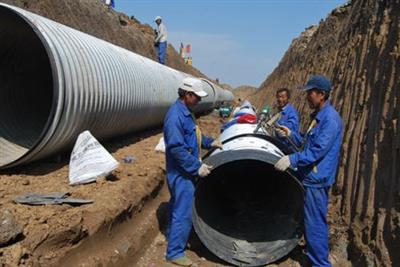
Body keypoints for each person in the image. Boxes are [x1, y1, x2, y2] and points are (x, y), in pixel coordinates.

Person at [274, 75, 343, 267]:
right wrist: (291, 135)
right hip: (309, 176)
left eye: (310, 93)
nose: (307, 97)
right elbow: (307, 142)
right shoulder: (318, 118)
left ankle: (320, 263)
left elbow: (317, 150)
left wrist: (292, 159)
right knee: (309, 219)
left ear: (321, 95)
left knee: (315, 223)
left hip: (316, 178)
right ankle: (312, 251)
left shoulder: (330, 120)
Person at [163, 77, 223, 266]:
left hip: (184, 170)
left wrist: (209, 142)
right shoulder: (175, 116)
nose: (199, 100)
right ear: (187, 95)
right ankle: (175, 252)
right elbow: (176, 148)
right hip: (181, 172)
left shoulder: (186, 112)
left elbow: (193, 135)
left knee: (177, 206)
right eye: (196, 97)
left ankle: (172, 235)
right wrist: (197, 167)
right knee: (183, 211)